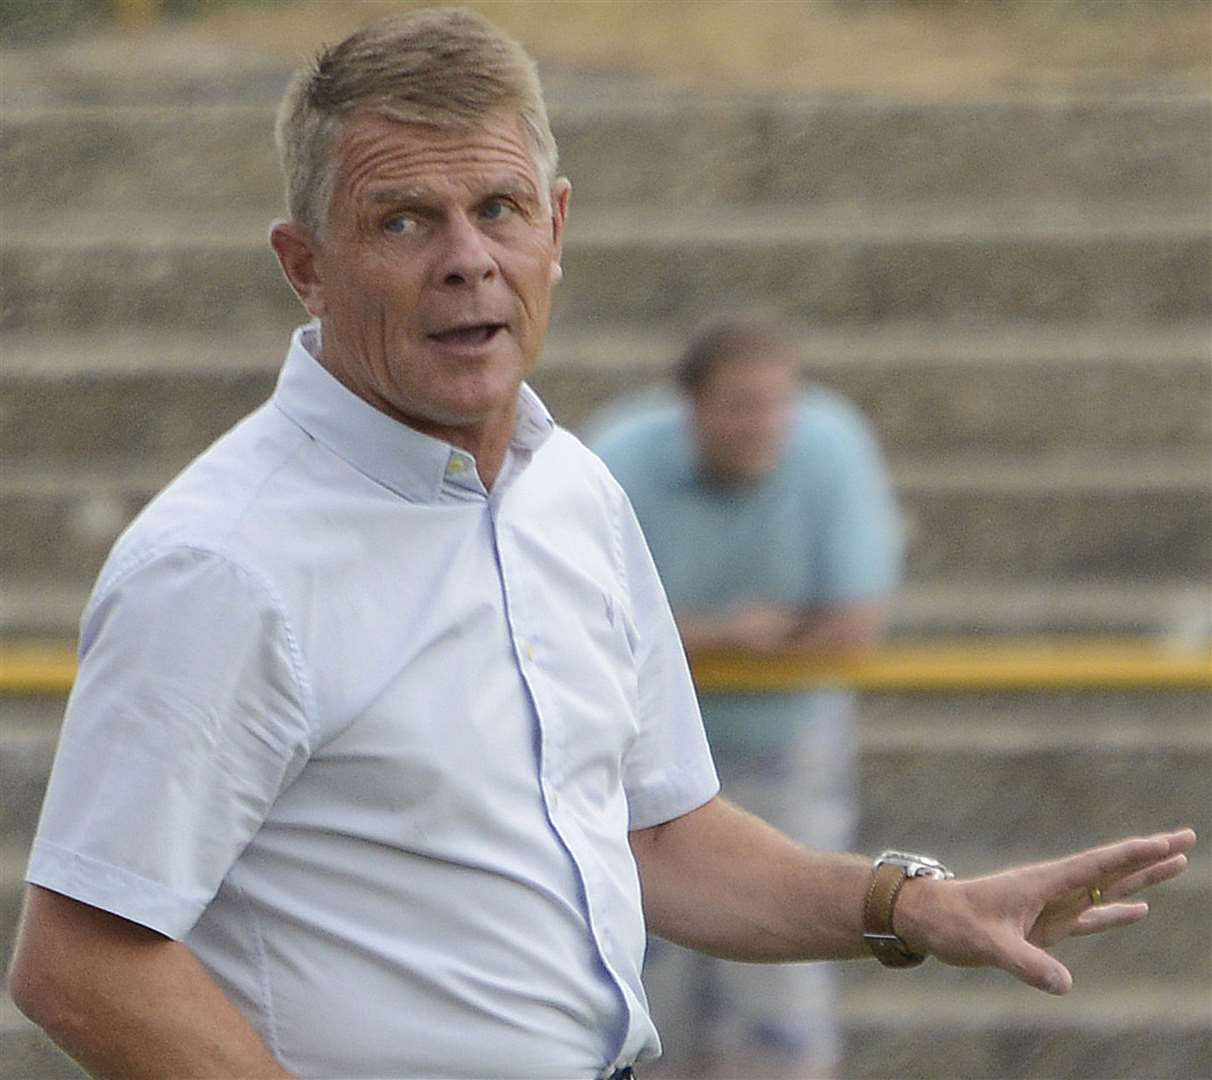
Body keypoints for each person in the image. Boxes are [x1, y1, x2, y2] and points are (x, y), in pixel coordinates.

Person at [6, 10, 1196, 1080]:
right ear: (304, 265)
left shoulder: (568, 488)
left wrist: (915, 904)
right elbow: (82, 960)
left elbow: (659, 837)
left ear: (557, 227)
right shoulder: (221, 565)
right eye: (404, 218)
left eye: (500, 209)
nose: (467, 257)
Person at [587, 315, 902, 1079]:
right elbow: (581, 627)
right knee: (634, 976)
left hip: (781, 742)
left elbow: (854, 624)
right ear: (689, 409)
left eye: (776, 405)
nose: (762, 426)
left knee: (785, 973)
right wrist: (726, 638)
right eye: (739, 406)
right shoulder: (617, 455)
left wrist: (676, 637)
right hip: (643, 751)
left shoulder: (831, 447)